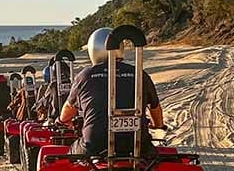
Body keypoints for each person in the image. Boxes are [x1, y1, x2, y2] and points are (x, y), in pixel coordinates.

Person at [60, 28, 164, 156]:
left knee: (71, 158)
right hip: (138, 146)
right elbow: (155, 108)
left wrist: (62, 120)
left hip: (94, 147)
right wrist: (158, 124)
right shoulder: (139, 74)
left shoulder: (85, 76)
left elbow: (68, 109)